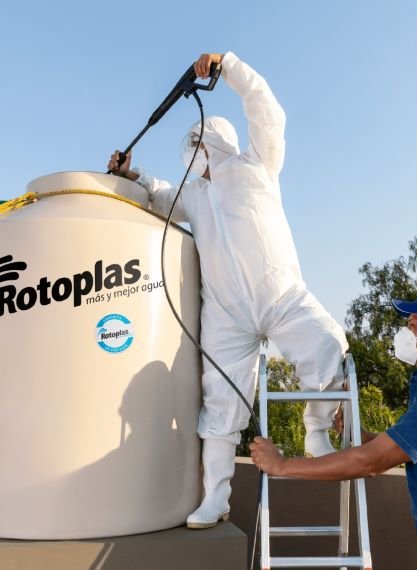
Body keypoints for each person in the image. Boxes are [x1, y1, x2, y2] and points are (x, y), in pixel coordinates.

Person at [107, 51, 348, 529]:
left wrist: (228, 65)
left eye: (198, 142)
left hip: (281, 296)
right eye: (189, 147)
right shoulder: (191, 194)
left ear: (214, 138)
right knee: (218, 401)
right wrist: (129, 175)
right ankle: (214, 498)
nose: (193, 151)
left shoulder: (257, 165)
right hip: (226, 314)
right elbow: (159, 195)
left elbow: (267, 109)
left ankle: (317, 432)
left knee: (324, 342)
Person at [250, 291, 417, 569]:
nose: (405, 331)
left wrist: (281, 465)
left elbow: (372, 462)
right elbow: (406, 447)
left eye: (414, 325)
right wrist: (361, 434)